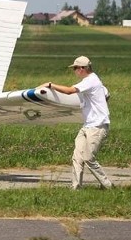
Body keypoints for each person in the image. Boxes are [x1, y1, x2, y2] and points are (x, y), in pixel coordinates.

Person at [39, 56, 113, 190]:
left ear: (82, 69)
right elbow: (107, 94)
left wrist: (50, 85)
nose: (74, 71)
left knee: (88, 158)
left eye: (75, 68)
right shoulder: (94, 80)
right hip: (88, 125)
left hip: (97, 126)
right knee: (77, 157)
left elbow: (69, 91)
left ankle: (108, 186)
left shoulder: (90, 80)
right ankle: (76, 187)